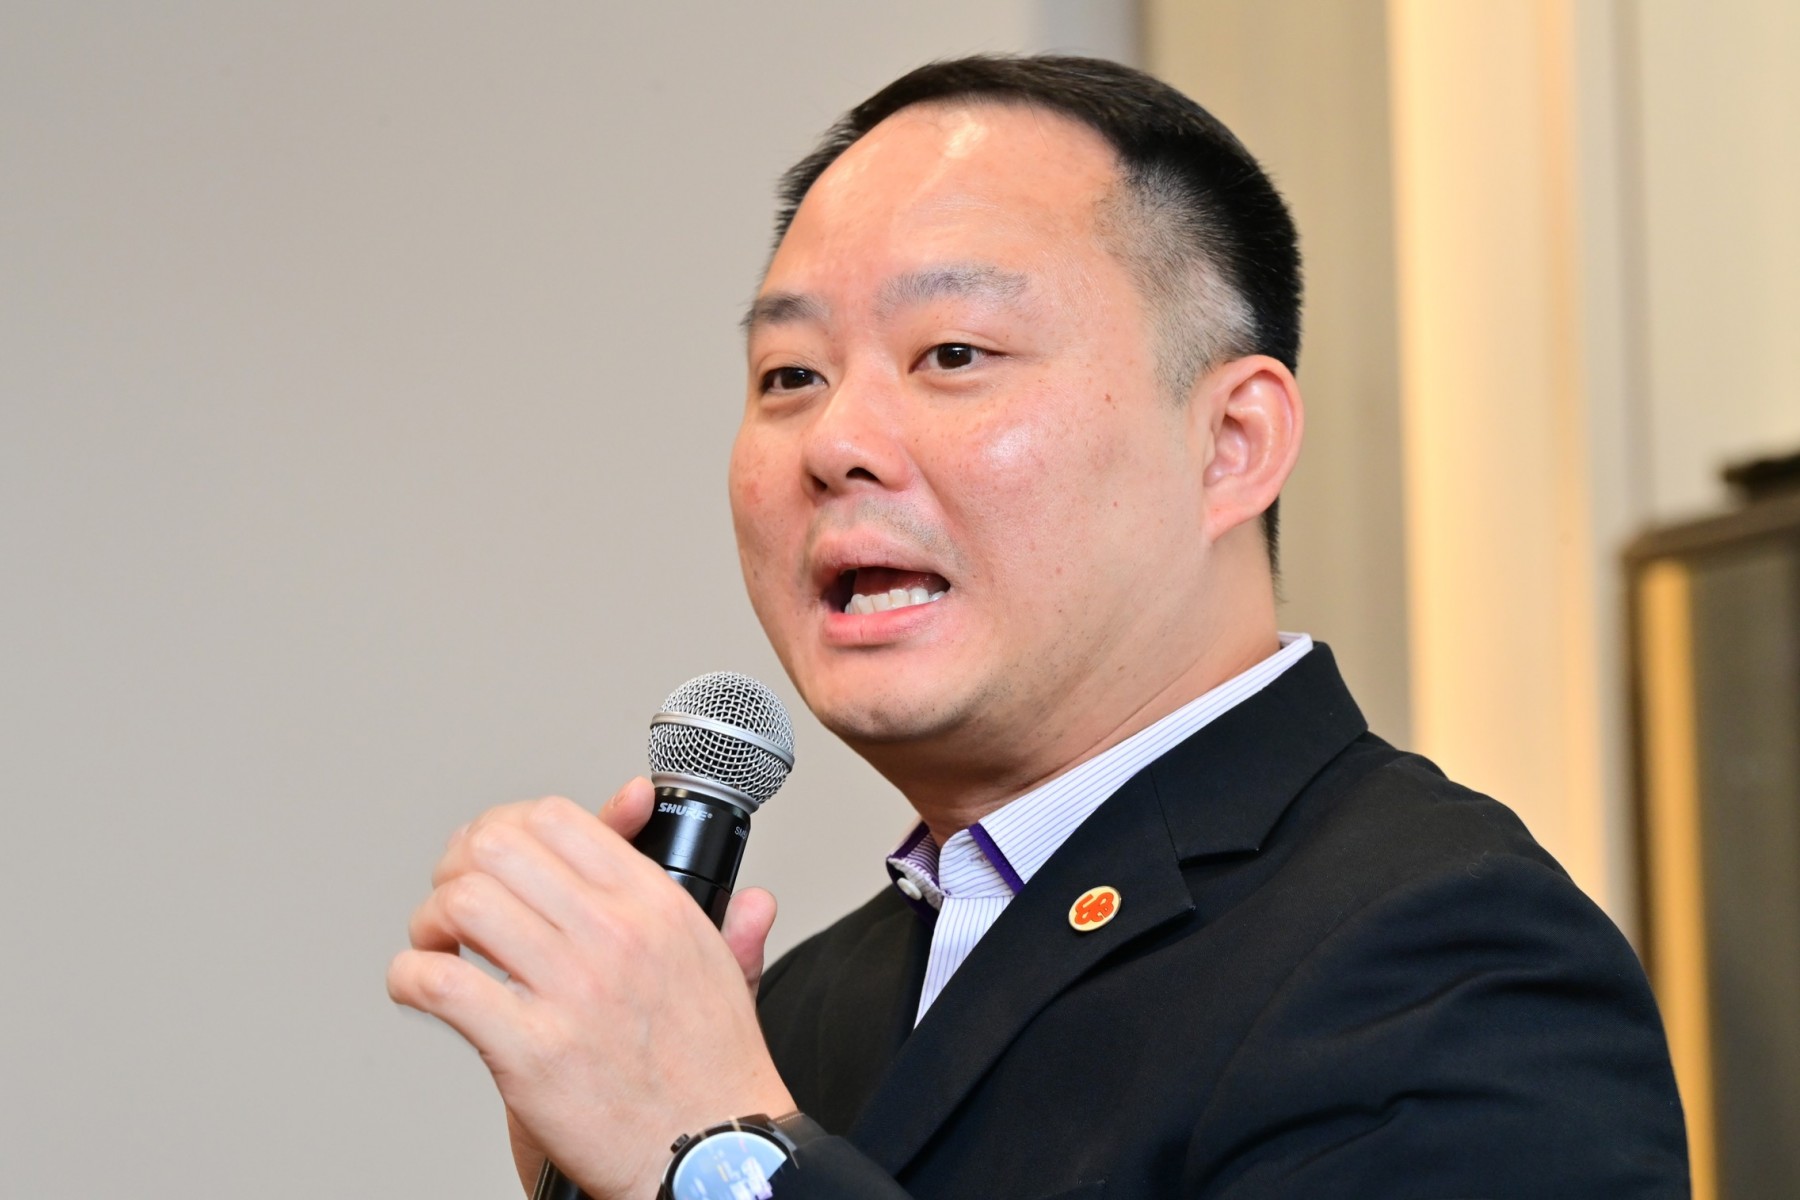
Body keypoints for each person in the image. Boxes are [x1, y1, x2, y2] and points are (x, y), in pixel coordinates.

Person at [388, 55, 1690, 1199]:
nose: (836, 441)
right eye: (790, 375)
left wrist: (714, 1154)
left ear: (1231, 443)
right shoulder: (804, 1009)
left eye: (953, 354)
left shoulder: (1448, 952)